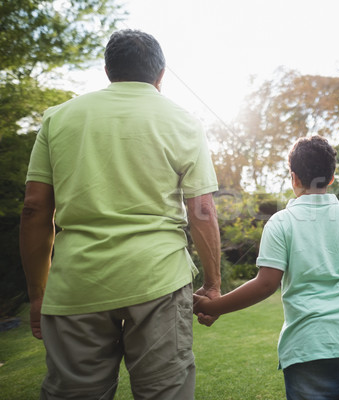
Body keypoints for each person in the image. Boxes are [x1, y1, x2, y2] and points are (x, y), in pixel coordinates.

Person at [20, 29, 221, 400]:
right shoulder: (184, 121)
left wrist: (38, 293)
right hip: (158, 278)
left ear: (109, 69)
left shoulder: (58, 118)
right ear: (161, 74)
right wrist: (212, 284)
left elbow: (34, 209)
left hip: (77, 282)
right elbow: (203, 209)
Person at [194, 135, 339, 400]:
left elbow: (266, 284)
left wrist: (210, 306)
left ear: (293, 177)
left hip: (307, 348)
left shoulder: (280, 223)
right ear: (332, 177)